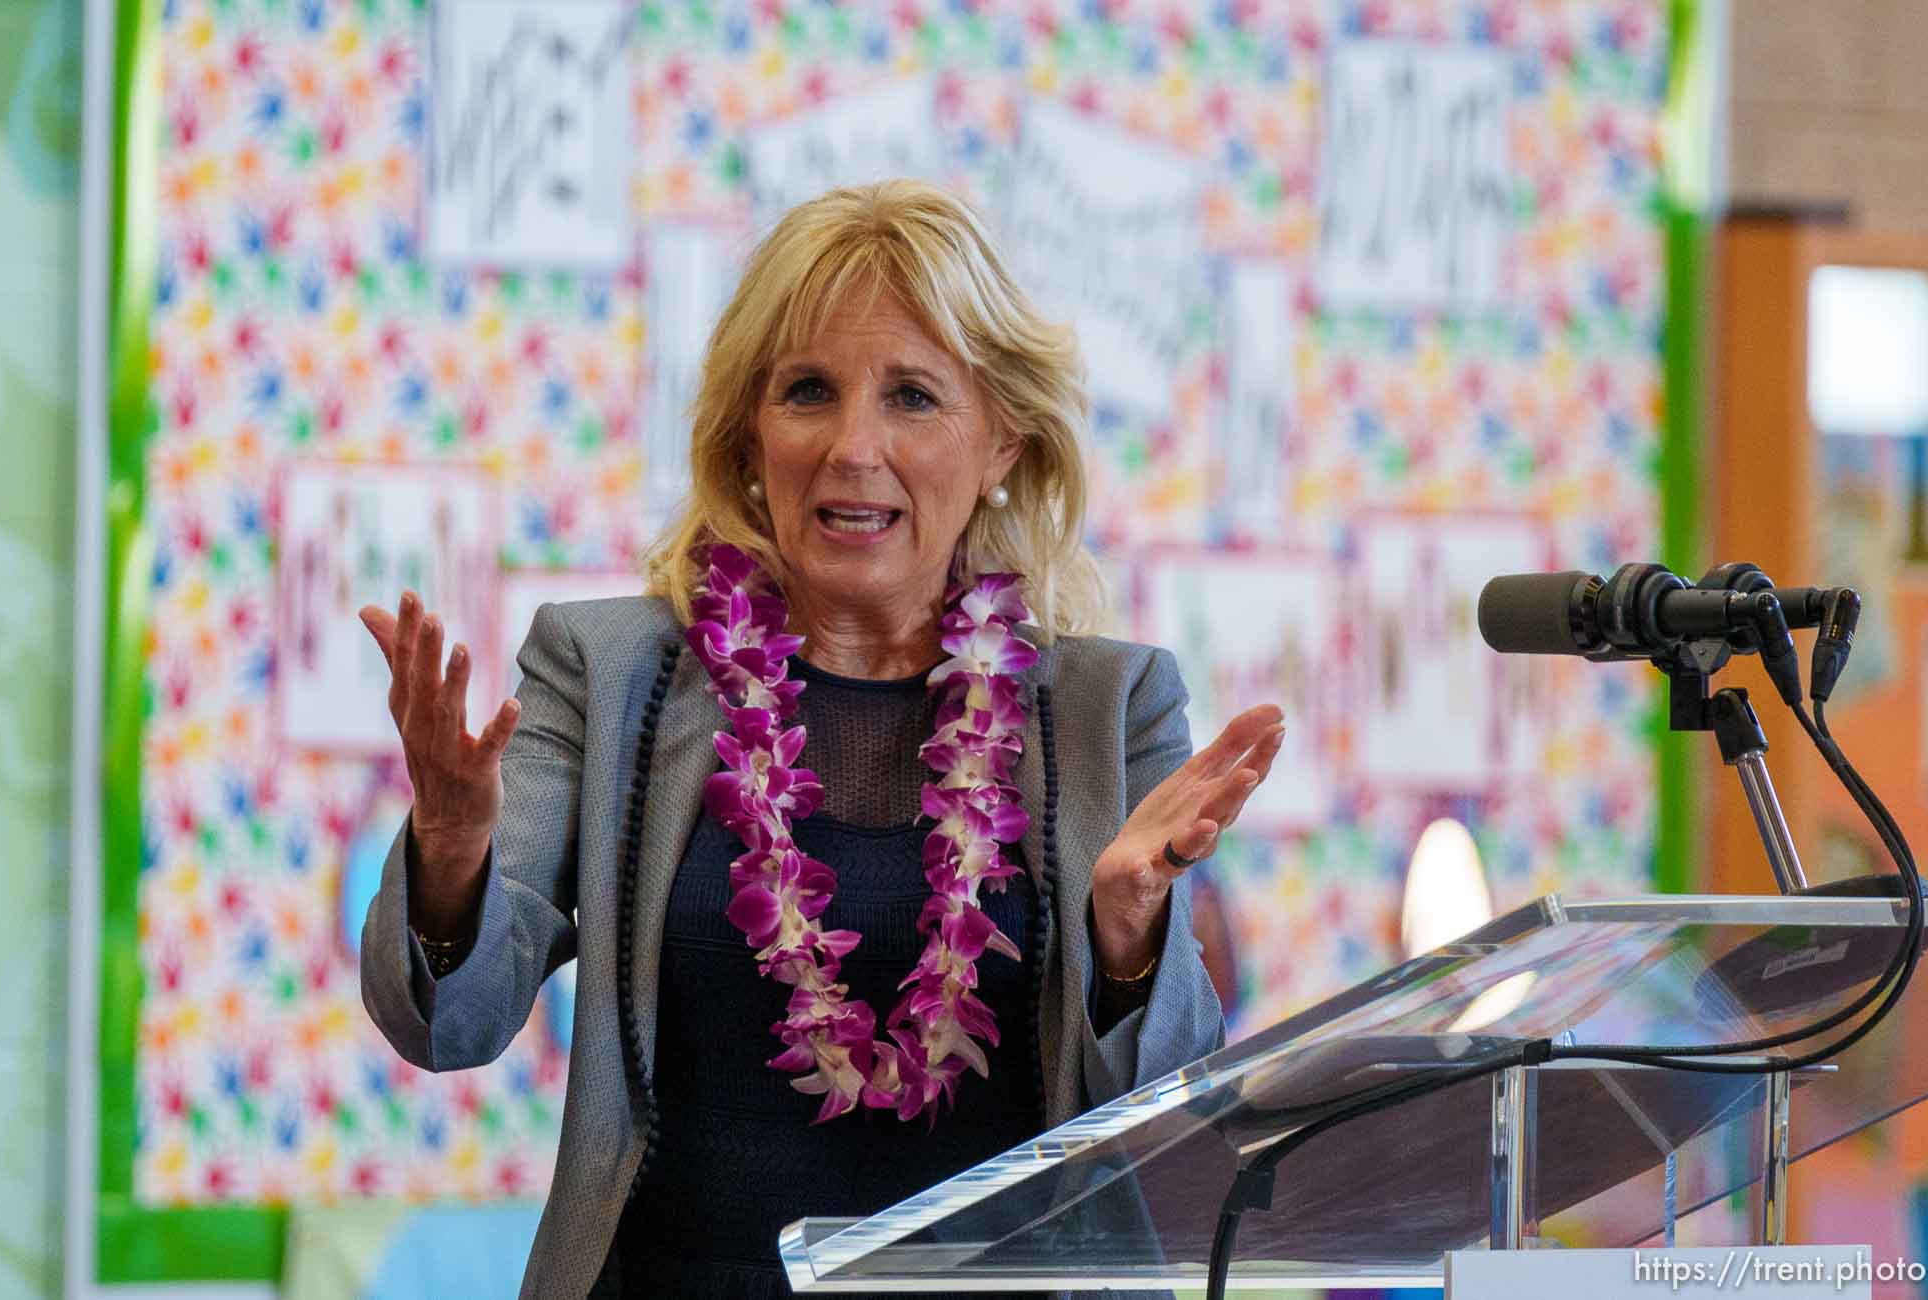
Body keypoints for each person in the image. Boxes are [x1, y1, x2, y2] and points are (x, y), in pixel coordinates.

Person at [358, 180, 1284, 1299]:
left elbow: (1166, 1123)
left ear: (1001, 442)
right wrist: (451, 853)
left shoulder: (1109, 707)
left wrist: (1132, 939)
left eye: (912, 397)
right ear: (751, 434)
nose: (854, 446)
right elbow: (444, 1023)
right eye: (808, 391)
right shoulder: (605, 674)